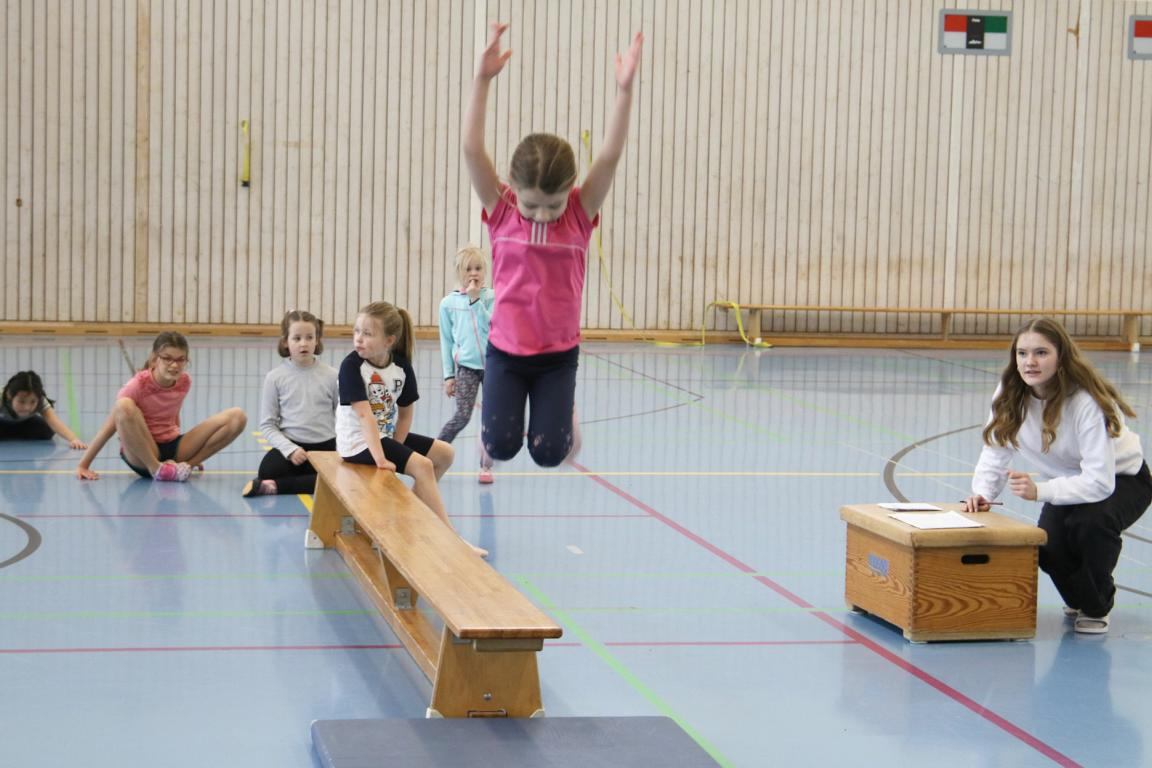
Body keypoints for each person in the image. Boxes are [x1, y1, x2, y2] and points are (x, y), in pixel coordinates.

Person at [462, 21, 643, 467]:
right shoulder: (502, 210)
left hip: (558, 356)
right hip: (505, 352)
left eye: (553, 205)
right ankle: (497, 428)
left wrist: (624, 93)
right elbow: (471, 150)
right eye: (532, 205)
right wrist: (482, 80)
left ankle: (565, 412)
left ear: (571, 189)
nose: (542, 215)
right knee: (500, 446)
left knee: (549, 454)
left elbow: (610, 156)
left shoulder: (579, 214)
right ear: (513, 187)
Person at [964, 318, 1150, 634]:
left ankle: (1096, 607)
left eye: (1041, 353)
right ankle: (1080, 598)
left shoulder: (1085, 401)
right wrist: (983, 494)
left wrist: (1040, 491)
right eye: (1022, 353)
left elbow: (1100, 482)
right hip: (1067, 480)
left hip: (1123, 478)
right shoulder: (1009, 393)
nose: (1030, 362)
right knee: (1048, 545)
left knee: (1089, 524)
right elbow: (996, 448)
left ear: (1060, 356)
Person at [335, 302, 485, 556]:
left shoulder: (401, 368)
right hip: (357, 441)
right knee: (422, 466)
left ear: (389, 341)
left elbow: (405, 413)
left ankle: (406, 514)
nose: (358, 339)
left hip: (383, 435)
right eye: (357, 331)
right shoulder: (352, 366)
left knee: (445, 453)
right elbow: (364, 416)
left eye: (367, 334)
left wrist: (398, 444)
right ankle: (451, 539)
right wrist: (382, 459)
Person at [76, 332, 248, 482]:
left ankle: (185, 467)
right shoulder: (137, 385)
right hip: (142, 453)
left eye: (180, 359)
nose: (174, 365)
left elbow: (173, 414)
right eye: (167, 358)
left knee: (237, 416)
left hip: (171, 446)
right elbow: (108, 428)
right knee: (123, 405)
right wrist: (84, 465)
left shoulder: (184, 381)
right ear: (155, 359)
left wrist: (190, 453)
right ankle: (157, 469)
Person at [243, 310, 339, 497]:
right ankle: (305, 481)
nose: (304, 343)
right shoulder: (275, 378)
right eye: (297, 338)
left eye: (309, 337)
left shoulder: (332, 375)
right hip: (293, 445)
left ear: (317, 340)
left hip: (325, 447)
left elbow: (344, 417)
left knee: (340, 476)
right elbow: (268, 425)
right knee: (268, 470)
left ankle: (276, 487)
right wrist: (290, 450)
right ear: (285, 342)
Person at [438, 245, 496, 484]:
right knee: (462, 416)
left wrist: (475, 301)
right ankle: (434, 456)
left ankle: (486, 466)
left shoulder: (492, 298)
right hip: (466, 368)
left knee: (492, 418)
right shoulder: (448, 304)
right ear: (459, 272)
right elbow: (446, 340)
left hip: (494, 367)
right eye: (468, 269)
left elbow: (493, 327)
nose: (473, 273)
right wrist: (449, 376)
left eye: (478, 268)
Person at [1, 371, 87, 447]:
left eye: (32, 402)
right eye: (22, 402)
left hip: (26, 423)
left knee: (47, 430)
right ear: (9, 395)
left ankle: (11, 433)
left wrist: (74, 439)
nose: (27, 407)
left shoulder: (40, 400)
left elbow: (54, 422)